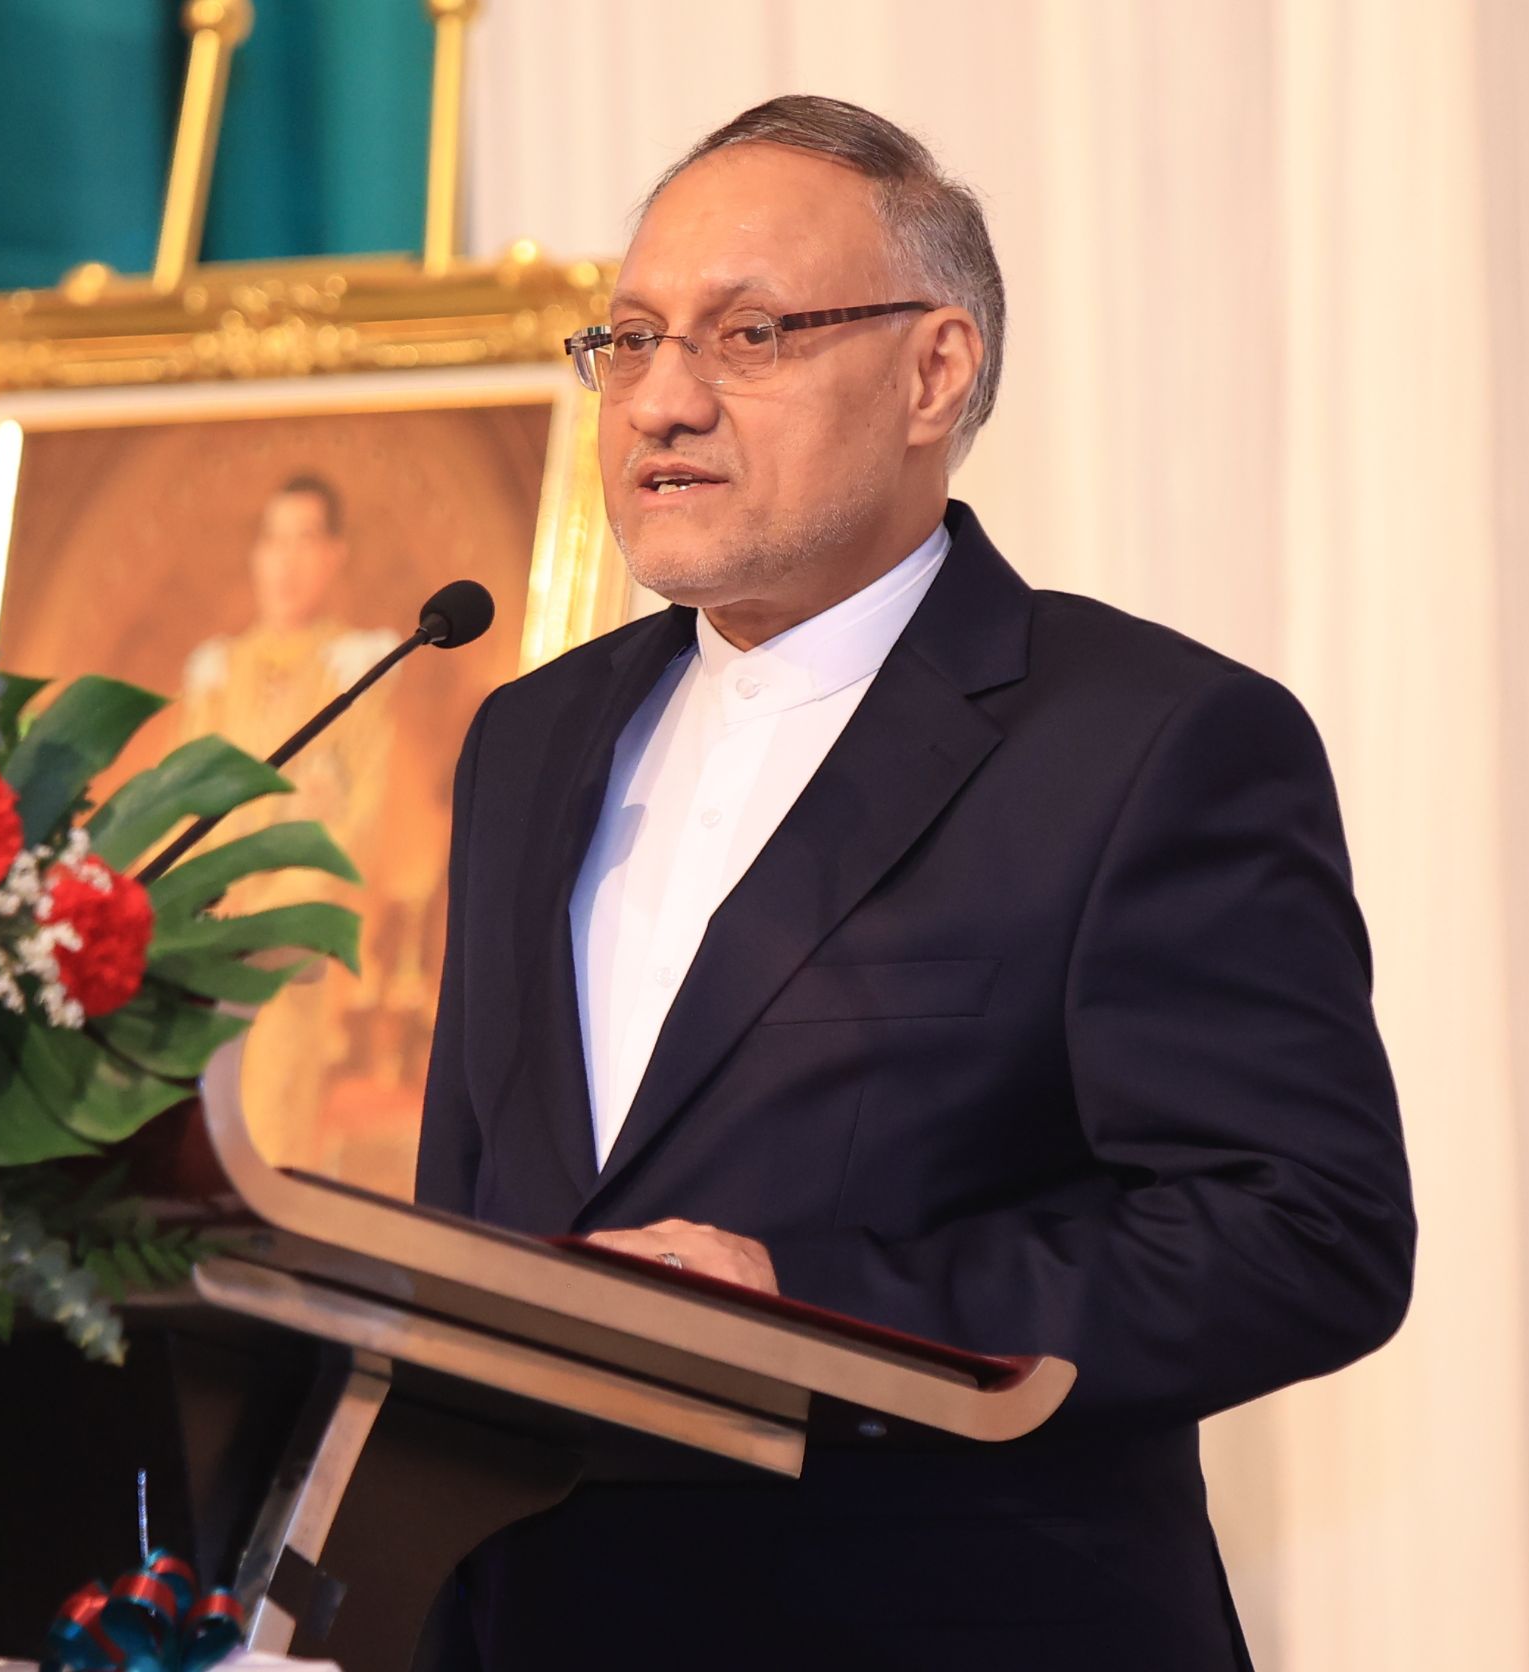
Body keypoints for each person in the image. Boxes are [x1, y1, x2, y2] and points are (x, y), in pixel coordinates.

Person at [414, 95, 1414, 1669]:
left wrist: (807, 1307)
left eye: (748, 335)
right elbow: (472, 1210)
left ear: (934, 372)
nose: (660, 400)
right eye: (629, 339)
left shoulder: (1147, 741)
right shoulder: (528, 739)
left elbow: (1303, 1234)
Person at [178, 475, 398, 1167]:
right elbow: (186, 805)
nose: (286, 561)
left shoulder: (354, 669)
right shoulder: (219, 671)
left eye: (305, 540)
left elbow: (360, 819)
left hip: (286, 944)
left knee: (269, 1126)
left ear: (334, 555)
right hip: (211, 935)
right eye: (274, 540)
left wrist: (278, 905)